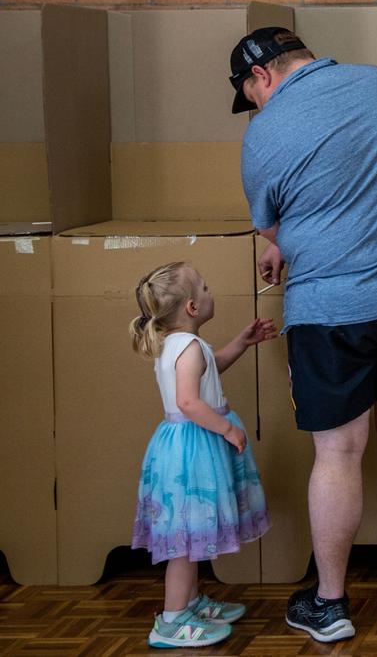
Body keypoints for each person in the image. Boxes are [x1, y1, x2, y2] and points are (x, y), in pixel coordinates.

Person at [227, 27, 377, 643]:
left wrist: (284, 245)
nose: (255, 107)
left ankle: (330, 605)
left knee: (338, 453)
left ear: (261, 77)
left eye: (250, 95)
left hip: (333, 305)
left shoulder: (265, 132)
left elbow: (273, 225)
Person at [129, 260, 275, 649]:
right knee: (185, 540)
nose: (212, 293)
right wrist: (227, 428)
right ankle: (172, 621)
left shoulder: (178, 344)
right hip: (195, 448)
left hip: (184, 445)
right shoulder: (189, 347)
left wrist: (241, 343)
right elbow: (189, 401)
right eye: (206, 288)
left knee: (191, 535)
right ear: (192, 307)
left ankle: (190, 603)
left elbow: (211, 371)